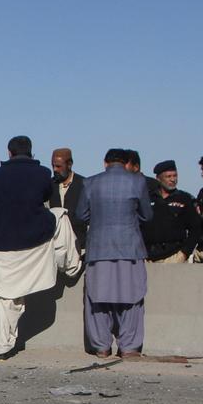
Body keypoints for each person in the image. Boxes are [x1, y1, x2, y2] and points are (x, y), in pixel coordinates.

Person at [0, 136, 82, 360]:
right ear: (32, 152)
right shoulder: (43, 174)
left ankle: (2, 347)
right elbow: (46, 196)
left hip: (5, 246)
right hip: (35, 242)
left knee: (4, 300)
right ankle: (72, 267)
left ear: (9, 153)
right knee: (61, 217)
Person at [78, 149, 153, 358]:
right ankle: (129, 347)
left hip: (98, 249)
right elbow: (147, 215)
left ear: (105, 163)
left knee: (98, 299)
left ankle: (101, 346)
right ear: (126, 162)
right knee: (132, 298)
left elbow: (81, 214)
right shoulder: (137, 182)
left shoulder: (90, 183)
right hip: (130, 248)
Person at [142, 160, 200, 263]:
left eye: (175, 176)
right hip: (148, 256)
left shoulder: (184, 198)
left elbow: (196, 228)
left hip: (174, 256)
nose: (173, 180)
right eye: (168, 176)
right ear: (158, 179)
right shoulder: (147, 198)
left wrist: (185, 253)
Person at [49, 148, 87, 247]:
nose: (55, 169)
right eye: (53, 166)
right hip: (55, 245)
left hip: (80, 244)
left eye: (58, 166)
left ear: (69, 164)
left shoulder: (84, 185)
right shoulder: (49, 185)